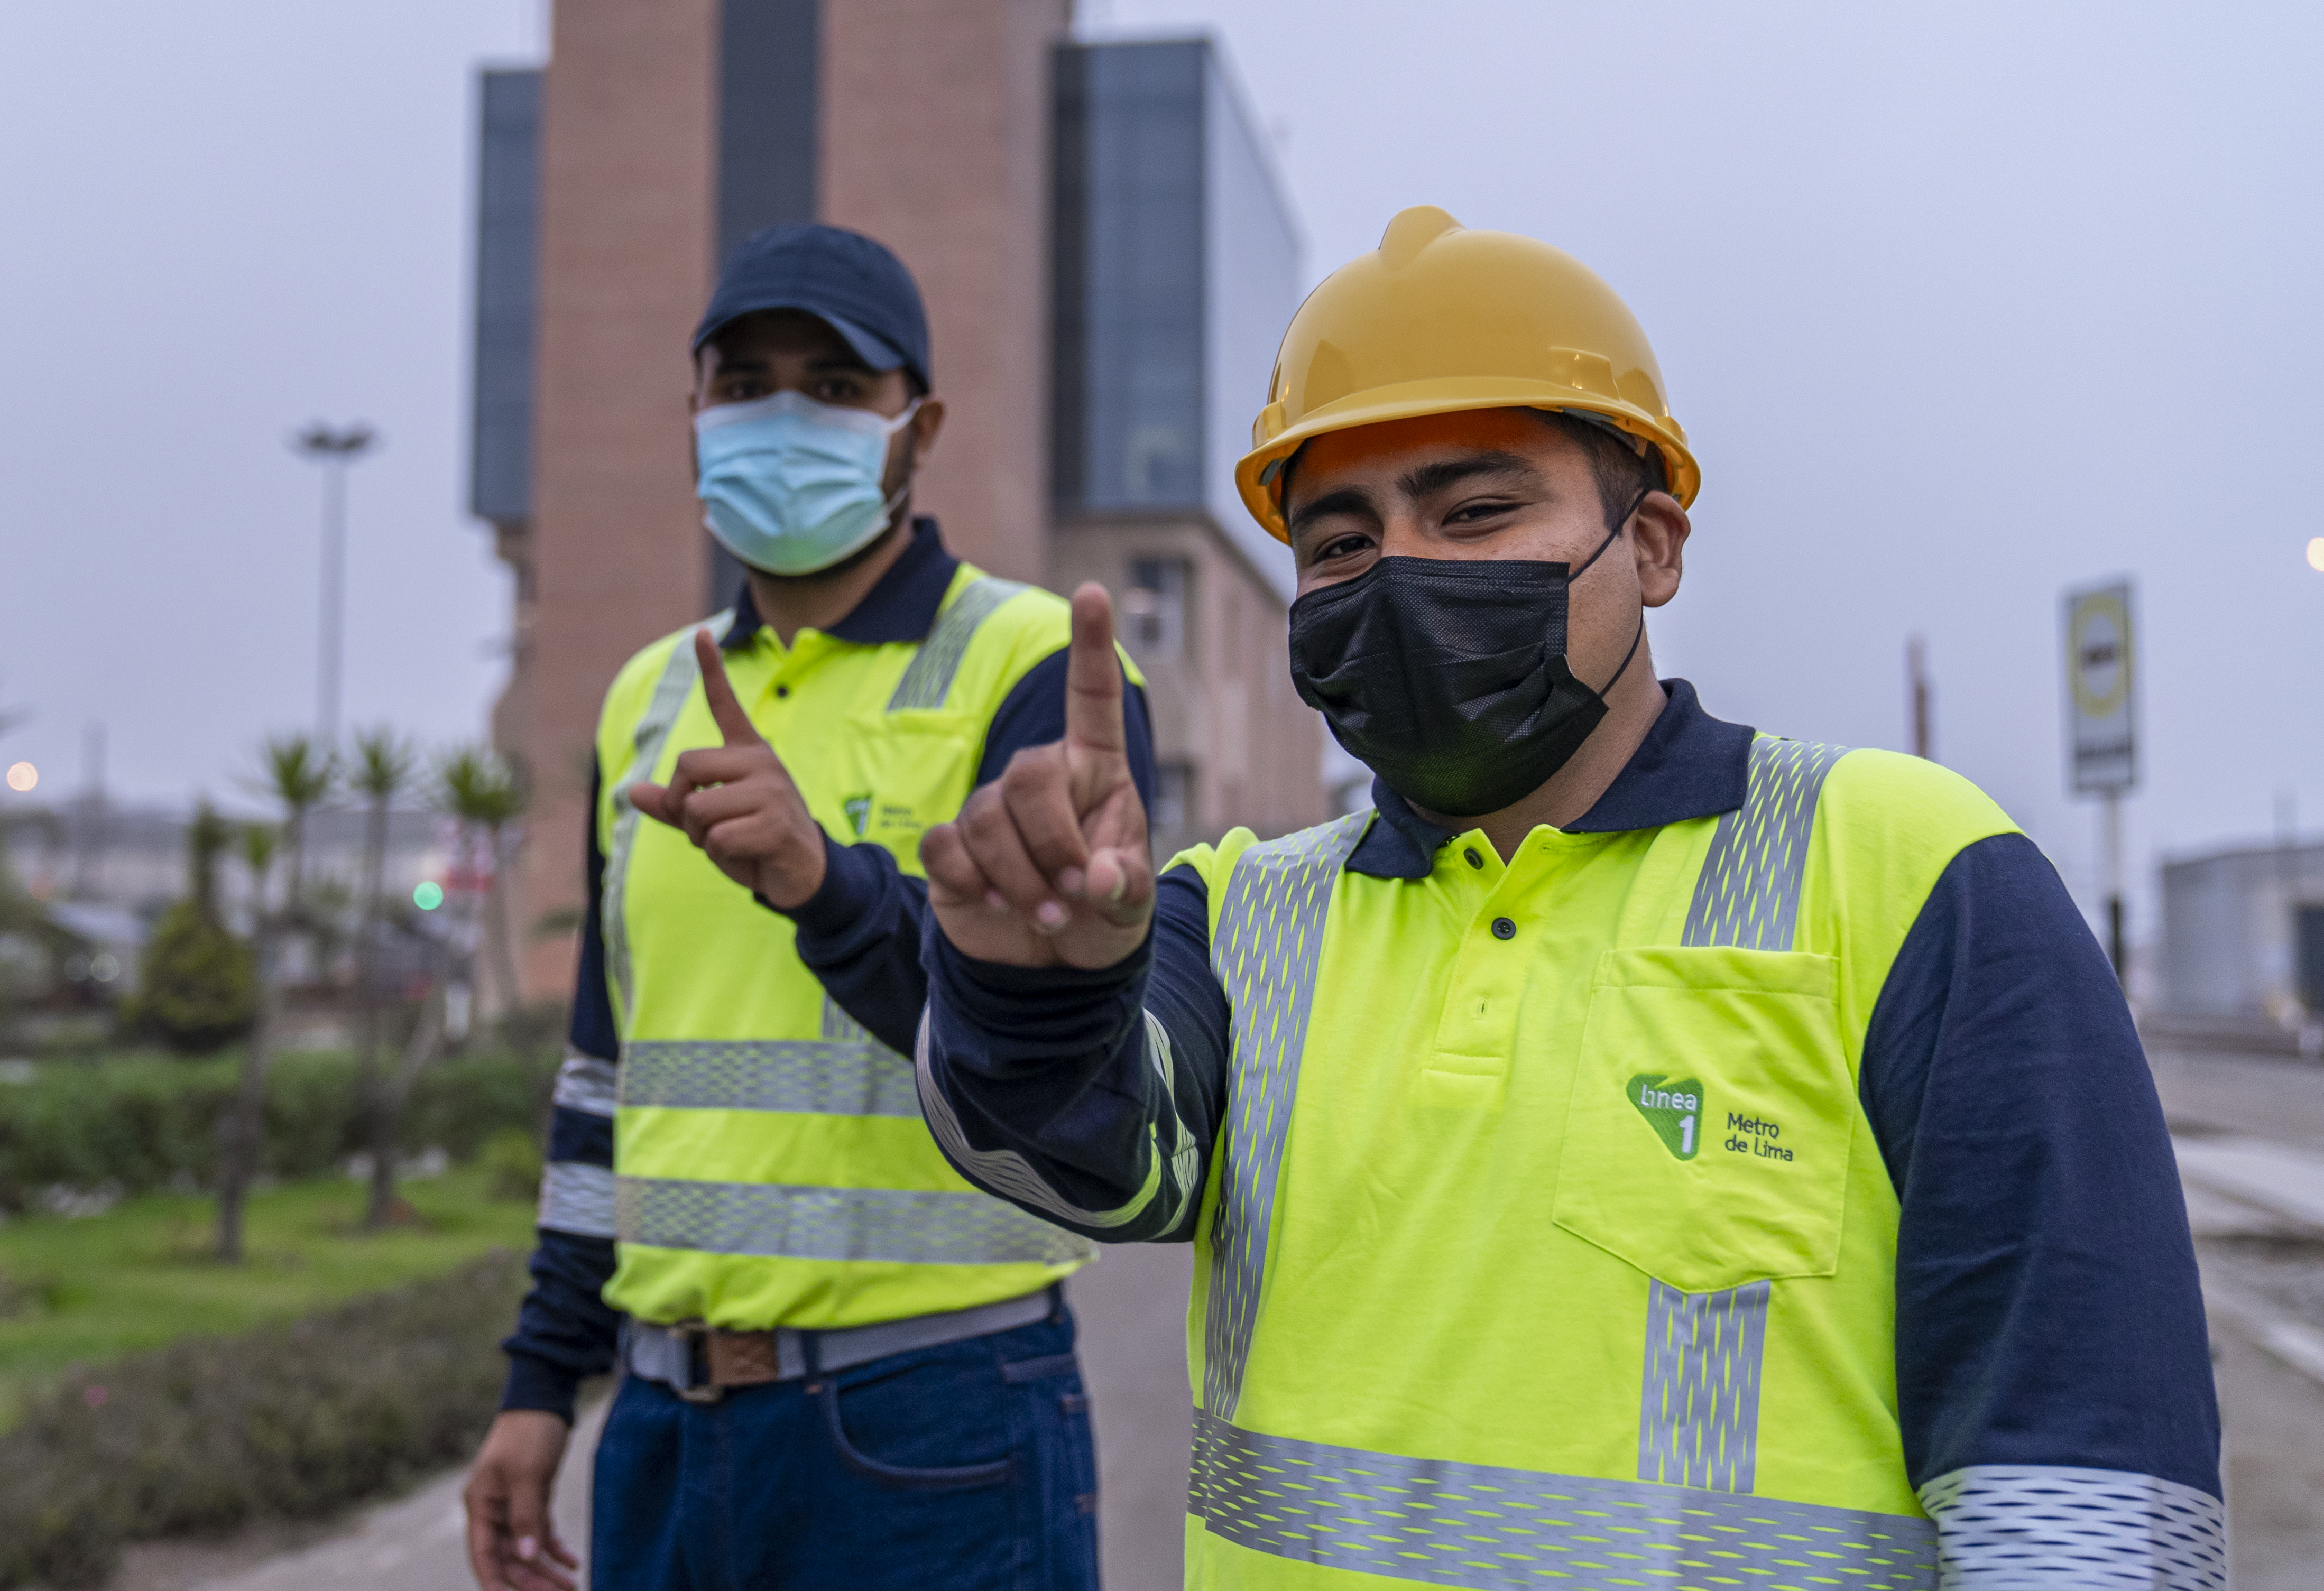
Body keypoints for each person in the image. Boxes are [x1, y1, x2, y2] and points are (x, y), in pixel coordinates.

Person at [909, 208, 2224, 1589]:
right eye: (1339, 543)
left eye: (1475, 512)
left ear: (1651, 546)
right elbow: (1069, 1165)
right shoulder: (1238, 913)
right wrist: (1027, 981)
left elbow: (2087, 1497)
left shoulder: (1912, 874)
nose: (1401, 574)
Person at [464, 223, 1150, 1591]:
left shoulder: (1029, 669)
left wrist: (823, 880)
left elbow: (1049, 1054)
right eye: (744, 381)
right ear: (695, 413)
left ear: (919, 425)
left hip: (933, 1415)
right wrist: (545, 1380)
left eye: (836, 388)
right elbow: (606, 1072)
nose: (783, 416)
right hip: (661, 1424)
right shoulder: (644, 697)